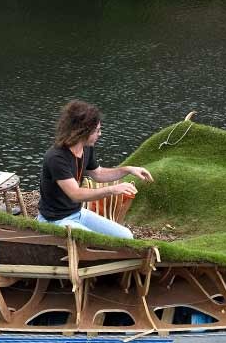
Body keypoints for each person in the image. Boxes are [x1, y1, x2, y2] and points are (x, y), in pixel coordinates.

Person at [37, 100, 153, 239]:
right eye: (97, 130)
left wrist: (128, 170)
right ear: (83, 131)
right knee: (98, 242)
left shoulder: (86, 148)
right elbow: (75, 194)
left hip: (77, 213)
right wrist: (112, 190)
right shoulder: (56, 157)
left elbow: (98, 174)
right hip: (55, 220)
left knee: (126, 236)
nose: (100, 134)